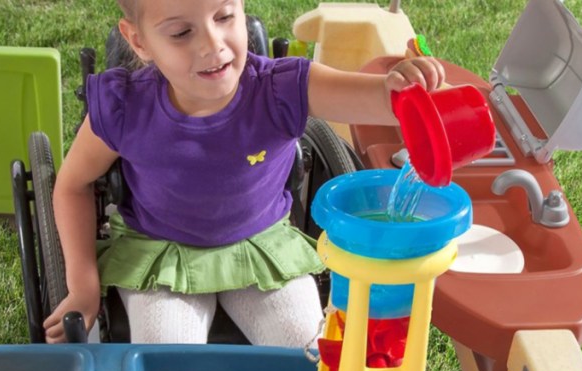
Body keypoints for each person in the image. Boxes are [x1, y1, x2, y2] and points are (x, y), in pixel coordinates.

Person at [42, 0, 445, 344]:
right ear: (139, 41)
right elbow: (73, 186)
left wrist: (397, 90)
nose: (212, 45)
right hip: (159, 255)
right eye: (182, 33)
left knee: (305, 354)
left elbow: (372, 99)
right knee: (168, 366)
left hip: (261, 248)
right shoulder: (125, 107)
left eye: (224, 17)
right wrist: (84, 286)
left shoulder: (280, 90)